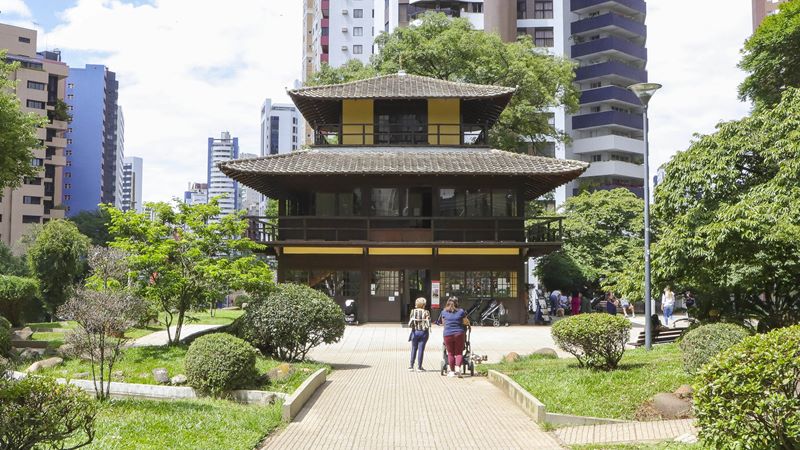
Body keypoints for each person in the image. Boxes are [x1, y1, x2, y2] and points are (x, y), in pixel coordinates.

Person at [439, 297, 468, 378]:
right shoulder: (461, 311)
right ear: (457, 303)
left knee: (450, 353)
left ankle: (452, 371)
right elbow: (465, 322)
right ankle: (458, 368)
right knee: (459, 352)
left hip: (447, 334)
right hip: (459, 333)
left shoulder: (444, 312)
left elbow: (443, 323)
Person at [407, 297, 431, 372]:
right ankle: (419, 367)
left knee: (413, 348)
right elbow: (429, 323)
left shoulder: (412, 311)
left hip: (415, 332)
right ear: (423, 305)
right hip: (423, 332)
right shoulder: (426, 312)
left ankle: (411, 366)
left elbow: (410, 321)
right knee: (421, 349)